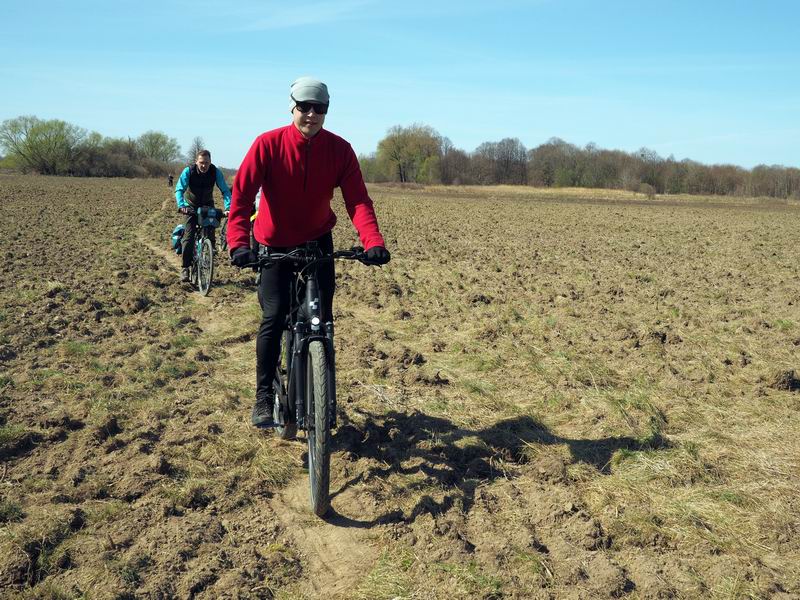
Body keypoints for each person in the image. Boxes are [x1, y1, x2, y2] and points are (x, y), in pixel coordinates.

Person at [227, 77, 390, 428]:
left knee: (321, 320)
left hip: (317, 243)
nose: (312, 114)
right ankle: (263, 398)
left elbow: (357, 200)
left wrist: (372, 241)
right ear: (292, 108)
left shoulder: (340, 150)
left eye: (320, 108)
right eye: (305, 107)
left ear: (327, 111)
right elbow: (241, 197)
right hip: (273, 245)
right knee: (273, 316)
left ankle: (321, 393)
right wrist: (239, 243)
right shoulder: (267, 145)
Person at [175, 150, 232, 282]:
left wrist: (228, 207)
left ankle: (209, 256)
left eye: (206, 163)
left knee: (210, 236)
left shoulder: (215, 172)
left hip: (207, 206)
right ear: (197, 162)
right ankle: (185, 268)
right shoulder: (188, 171)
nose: (204, 166)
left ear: (210, 162)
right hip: (191, 206)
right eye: (201, 163)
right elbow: (179, 189)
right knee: (189, 237)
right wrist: (182, 205)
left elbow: (225, 190)